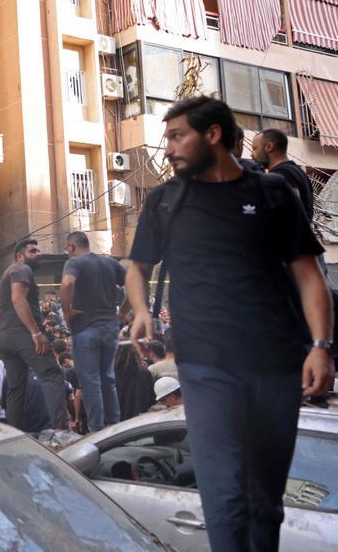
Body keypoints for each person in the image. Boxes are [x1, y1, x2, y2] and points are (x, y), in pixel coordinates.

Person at [128, 96, 334, 552]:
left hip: (277, 366)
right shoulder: (164, 202)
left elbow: (308, 273)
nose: (168, 148)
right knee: (224, 500)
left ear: (213, 135)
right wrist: (141, 310)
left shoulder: (273, 193)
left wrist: (321, 345)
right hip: (206, 368)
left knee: (266, 503)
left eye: (178, 135)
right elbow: (137, 267)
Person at [0, 239, 79, 446]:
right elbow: (18, 299)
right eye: (33, 251)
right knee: (52, 374)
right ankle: (60, 430)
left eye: (38, 250)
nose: (38, 253)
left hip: (3, 337)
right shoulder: (22, 269)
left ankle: (15, 436)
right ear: (20, 256)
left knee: (16, 386)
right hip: (21, 333)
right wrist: (35, 333)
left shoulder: (12, 271)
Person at [60, 230, 125, 433]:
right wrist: (124, 311)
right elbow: (134, 281)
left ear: (71, 246)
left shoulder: (75, 263)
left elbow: (68, 283)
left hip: (86, 327)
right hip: (110, 326)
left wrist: (67, 311)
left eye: (67, 249)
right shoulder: (110, 262)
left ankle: (97, 429)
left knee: (90, 381)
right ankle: (114, 424)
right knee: (107, 378)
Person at [252, 128, 314, 216]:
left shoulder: (281, 175)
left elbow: (285, 215)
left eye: (254, 148)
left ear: (269, 147)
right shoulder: (298, 172)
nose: (252, 154)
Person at [113, 343, 154, 421]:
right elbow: (152, 399)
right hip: (140, 421)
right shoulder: (145, 373)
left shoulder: (111, 374)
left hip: (117, 423)